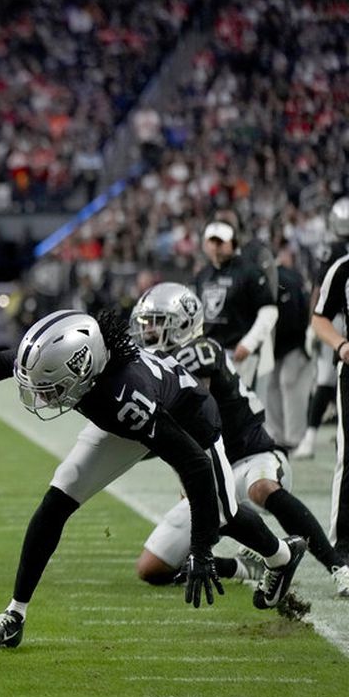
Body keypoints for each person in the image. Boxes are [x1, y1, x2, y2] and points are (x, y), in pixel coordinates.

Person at [0, 309, 304, 650]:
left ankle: (281, 557)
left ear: (81, 368)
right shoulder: (80, 358)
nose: (44, 397)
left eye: (51, 388)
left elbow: (193, 462)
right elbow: (3, 362)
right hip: (127, 416)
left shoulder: (125, 397)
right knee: (56, 500)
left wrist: (201, 550)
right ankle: (14, 614)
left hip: (189, 420)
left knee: (222, 513)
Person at [129, 283, 343, 595]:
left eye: (157, 323)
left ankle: (337, 565)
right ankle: (242, 567)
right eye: (146, 324)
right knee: (152, 568)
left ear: (184, 324)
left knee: (261, 488)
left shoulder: (202, 350)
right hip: (210, 476)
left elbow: (195, 416)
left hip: (254, 457)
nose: (148, 332)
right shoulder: (156, 368)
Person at [293, 198, 349, 458]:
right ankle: (312, 437)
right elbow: (321, 290)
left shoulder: (334, 247)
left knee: (327, 377)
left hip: (335, 319)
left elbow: (317, 289)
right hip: (336, 320)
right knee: (328, 377)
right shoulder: (336, 249)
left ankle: (316, 437)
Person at [195, 220, 277, 391]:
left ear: (233, 243)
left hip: (239, 355)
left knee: (239, 409)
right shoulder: (202, 275)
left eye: (220, 241)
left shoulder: (249, 272)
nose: (215, 246)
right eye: (212, 241)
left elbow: (269, 310)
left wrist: (249, 343)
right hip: (209, 355)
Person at [264, 244, 314, 452]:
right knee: (273, 385)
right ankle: (280, 436)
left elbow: (294, 318)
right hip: (279, 344)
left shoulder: (284, 280)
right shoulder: (270, 278)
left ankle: (293, 437)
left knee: (288, 384)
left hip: (294, 343)